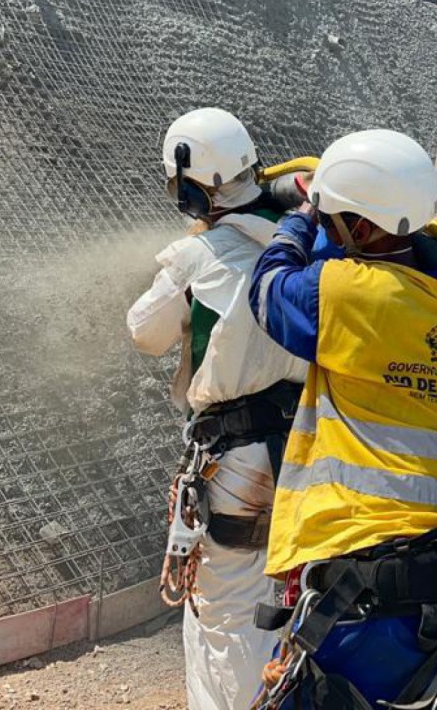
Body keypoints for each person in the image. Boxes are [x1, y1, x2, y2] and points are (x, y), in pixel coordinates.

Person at [247, 129, 437, 709]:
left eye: (336, 218)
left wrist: (301, 217)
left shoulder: (348, 294)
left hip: (359, 582)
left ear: (363, 229)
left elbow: (268, 290)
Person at [127, 107, 309, 710]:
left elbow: (144, 332)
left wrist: (185, 265)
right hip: (310, 452)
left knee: (228, 615)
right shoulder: (304, 242)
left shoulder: (199, 257)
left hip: (238, 468)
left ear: (190, 187)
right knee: (301, 600)